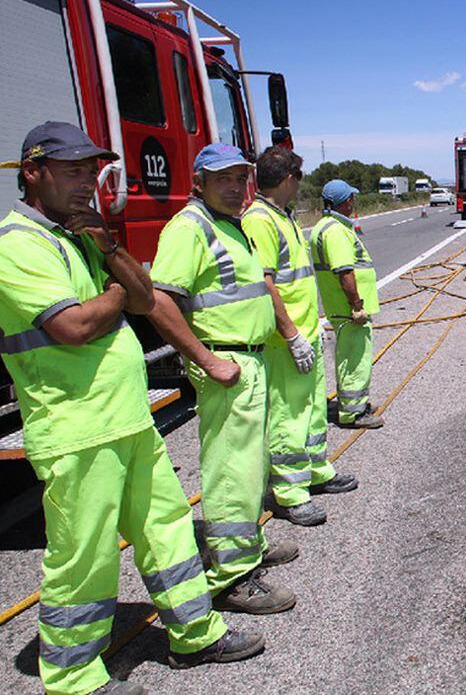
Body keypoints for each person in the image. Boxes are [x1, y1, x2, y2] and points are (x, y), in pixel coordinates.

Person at [0, 123, 261, 695]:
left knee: (167, 527)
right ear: (32, 173)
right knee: (84, 559)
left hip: (126, 418)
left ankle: (195, 634)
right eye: (71, 171)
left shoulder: (81, 234)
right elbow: (74, 326)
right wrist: (121, 283)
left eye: (91, 171)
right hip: (76, 428)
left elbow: (147, 299)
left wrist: (111, 250)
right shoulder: (18, 243)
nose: (86, 183)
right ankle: (73, 677)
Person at [147, 143, 298, 616]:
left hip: (249, 362)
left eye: (241, 179)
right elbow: (160, 299)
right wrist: (207, 360)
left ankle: (247, 543)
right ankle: (232, 576)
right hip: (228, 364)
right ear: (199, 183)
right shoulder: (190, 228)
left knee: (250, 466)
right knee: (232, 471)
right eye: (223, 180)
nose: (235, 188)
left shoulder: (230, 225)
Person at [243, 147, 358, 528]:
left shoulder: (282, 216)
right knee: (288, 415)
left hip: (305, 330)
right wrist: (290, 334)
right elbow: (265, 282)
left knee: (309, 410)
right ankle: (289, 493)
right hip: (284, 339)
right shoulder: (260, 219)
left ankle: (315, 470)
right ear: (289, 179)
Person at [309, 181, 384, 430]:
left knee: (349, 357)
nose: (354, 203)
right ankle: (353, 412)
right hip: (349, 310)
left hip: (341, 307)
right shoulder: (336, 231)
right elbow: (344, 271)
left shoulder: (325, 227)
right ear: (346, 200)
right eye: (352, 198)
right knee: (355, 359)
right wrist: (357, 305)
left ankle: (352, 403)